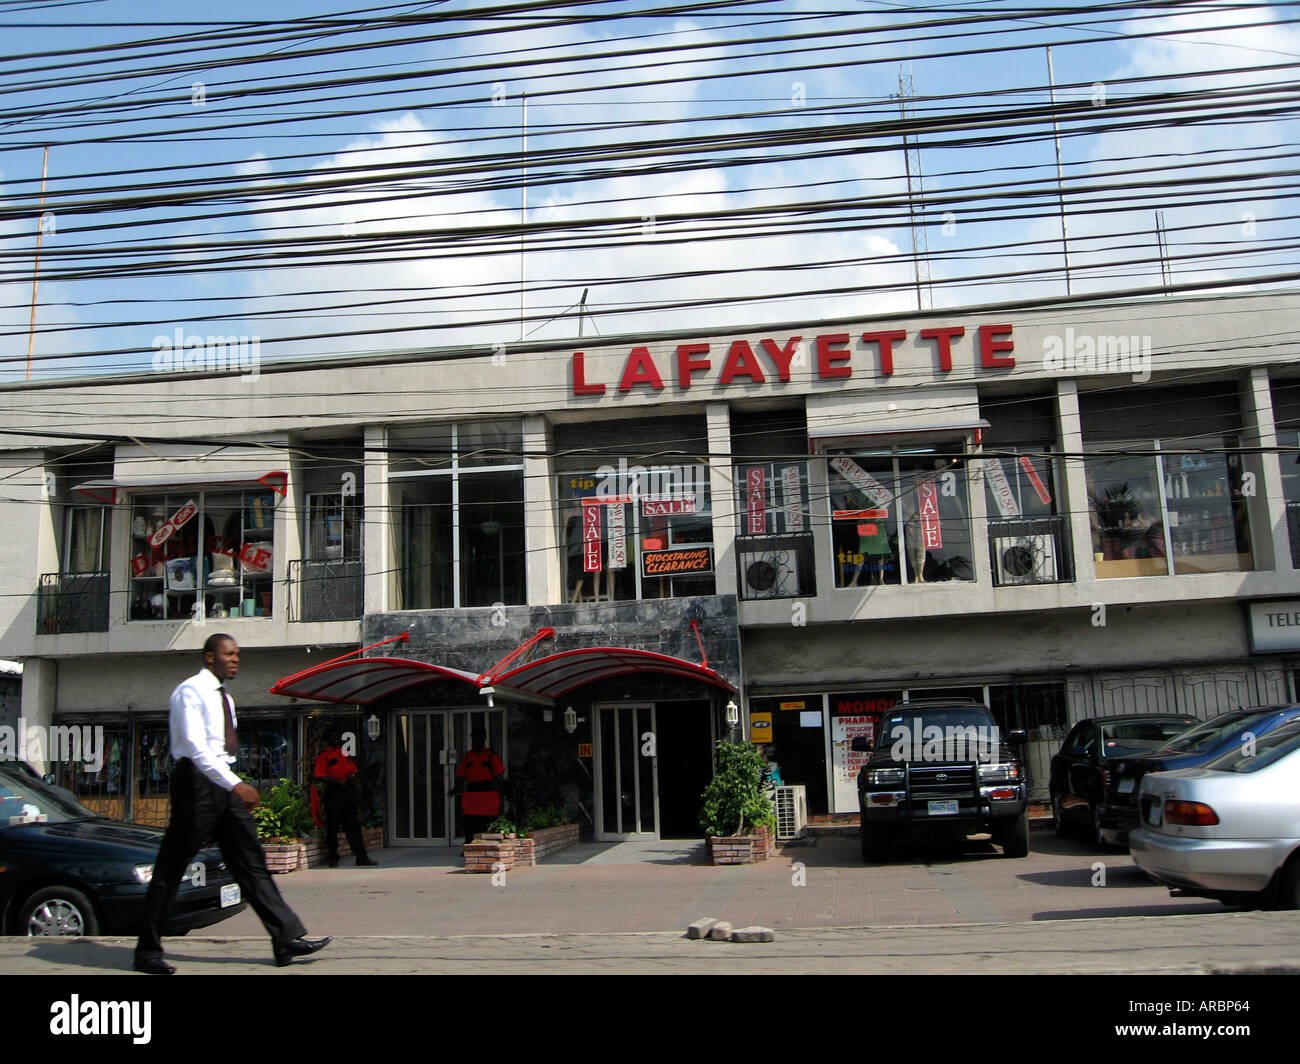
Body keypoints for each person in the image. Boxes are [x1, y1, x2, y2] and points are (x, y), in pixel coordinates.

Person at [134, 633, 331, 975]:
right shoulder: (189, 692)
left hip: (222, 782)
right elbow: (196, 749)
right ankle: (147, 951)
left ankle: (285, 938)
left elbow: (222, 751)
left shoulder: (226, 697)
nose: (235, 659)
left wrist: (233, 784)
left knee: (251, 861)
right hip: (195, 785)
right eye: (229, 654)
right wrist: (237, 785)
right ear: (210, 657)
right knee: (171, 868)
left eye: (238, 654)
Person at [313, 728, 378, 867]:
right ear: (327, 740)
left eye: (337, 737)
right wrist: (337, 780)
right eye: (333, 737)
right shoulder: (324, 756)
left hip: (347, 791)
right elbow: (320, 776)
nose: (336, 739)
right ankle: (332, 857)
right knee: (332, 826)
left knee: (353, 826)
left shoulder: (343, 753)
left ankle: (361, 857)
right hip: (333, 792)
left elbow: (353, 769)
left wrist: (350, 777)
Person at [450, 728, 505, 845]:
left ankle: (489, 844)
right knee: (470, 821)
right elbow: (461, 775)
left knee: (488, 820)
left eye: (479, 738)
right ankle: (469, 844)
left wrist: (500, 794)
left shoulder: (491, 756)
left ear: (484, 739)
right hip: (472, 790)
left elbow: (499, 776)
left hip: (487, 789)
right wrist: (455, 789)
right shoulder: (468, 756)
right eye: (475, 739)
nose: (477, 741)